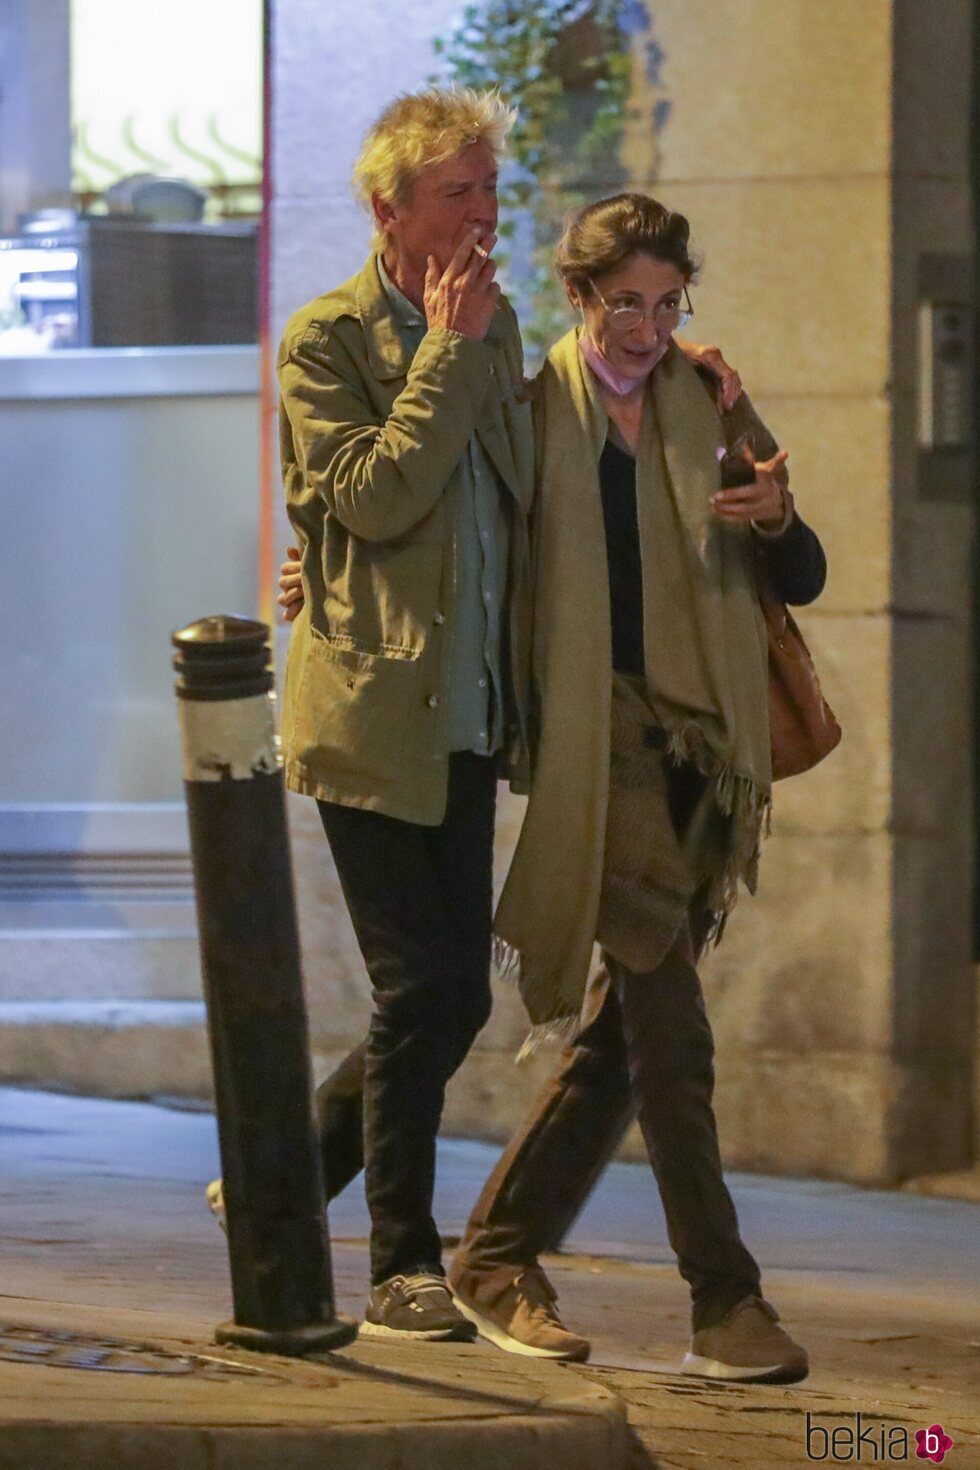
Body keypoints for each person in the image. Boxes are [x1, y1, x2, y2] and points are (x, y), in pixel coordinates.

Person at [211, 89, 736, 1342]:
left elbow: (521, 493)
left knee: (443, 997)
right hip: (373, 712)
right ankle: (403, 1263)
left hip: (470, 715)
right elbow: (376, 496)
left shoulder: (498, 329)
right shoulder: (327, 337)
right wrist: (439, 356)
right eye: (456, 195)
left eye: (490, 196)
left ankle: (281, 1183)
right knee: (427, 989)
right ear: (389, 206)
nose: (480, 219)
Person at [440, 193, 825, 1380]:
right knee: (671, 1036)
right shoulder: (527, 406)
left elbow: (798, 573)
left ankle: (494, 1255)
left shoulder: (705, 397)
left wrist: (773, 517)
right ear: (578, 298)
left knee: (625, 1037)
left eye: (667, 304)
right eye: (625, 305)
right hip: (586, 745)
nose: (647, 327)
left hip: (694, 749)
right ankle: (725, 1300)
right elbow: (455, 540)